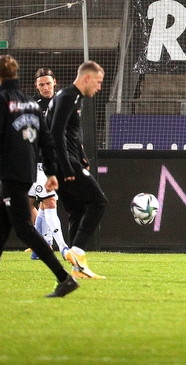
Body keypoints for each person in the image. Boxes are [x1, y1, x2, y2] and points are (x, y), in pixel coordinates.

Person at [0, 55, 78, 298]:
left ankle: (65, 278)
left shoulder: (0, 101)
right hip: (28, 172)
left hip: (11, 174)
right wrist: (52, 171)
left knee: (25, 230)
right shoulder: (29, 103)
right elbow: (47, 140)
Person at [46, 60, 108, 279]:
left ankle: (76, 269)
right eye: (98, 82)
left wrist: (81, 156)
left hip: (67, 161)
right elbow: (54, 133)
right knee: (99, 202)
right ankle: (78, 254)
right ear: (87, 78)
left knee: (77, 211)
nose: (99, 87)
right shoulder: (68, 97)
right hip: (65, 164)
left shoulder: (68, 97)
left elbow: (70, 133)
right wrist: (66, 167)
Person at [27, 68, 71, 260]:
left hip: (56, 161)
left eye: (48, 83)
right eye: (41, 84)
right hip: (37, 162)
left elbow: (72, 130)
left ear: (55, 81)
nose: (45, 87)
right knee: (41, 203)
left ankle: (47, 245)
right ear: (36, 86)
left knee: (47, 202)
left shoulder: (63, 103)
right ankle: (54, 245)